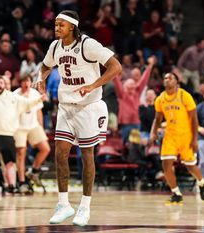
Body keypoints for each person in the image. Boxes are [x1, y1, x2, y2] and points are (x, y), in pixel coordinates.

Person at [37, 10, 122, 226]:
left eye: (61, 25)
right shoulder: (55, 47)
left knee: (86, 155)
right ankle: (64, 204)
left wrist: (93, 85)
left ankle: (85, 206)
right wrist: (41, 79)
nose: (56, 28)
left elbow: (116, 67)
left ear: (72, 27)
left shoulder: (88, 45)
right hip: (66, 107)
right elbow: (46, 65)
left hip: (88, 107)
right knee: (59, 154)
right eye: (55, 24)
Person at [150, 72, 204, 204]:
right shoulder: (160, 99)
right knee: (166, 164)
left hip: (186, 136)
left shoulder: (184, 96)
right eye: (165, 78)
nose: (167, 79)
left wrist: (194, 139)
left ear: (177, 82)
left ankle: (202, 182)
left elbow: (194, 119)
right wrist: (153, 132)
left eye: (170, 78)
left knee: (190, 166)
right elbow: (157, 118)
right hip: (170, 135)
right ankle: (176, 193)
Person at [13, 74, 51, 193]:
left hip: (33, 125)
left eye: (28, 81)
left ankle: (33, 171)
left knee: (45, 149)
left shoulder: (35, 93)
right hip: (19, 127)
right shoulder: (15, 95)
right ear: (20, 83)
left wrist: (41, 128)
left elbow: (39, 112)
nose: (26, 83)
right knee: (21, 153)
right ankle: (22, 182)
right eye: (24, 81)